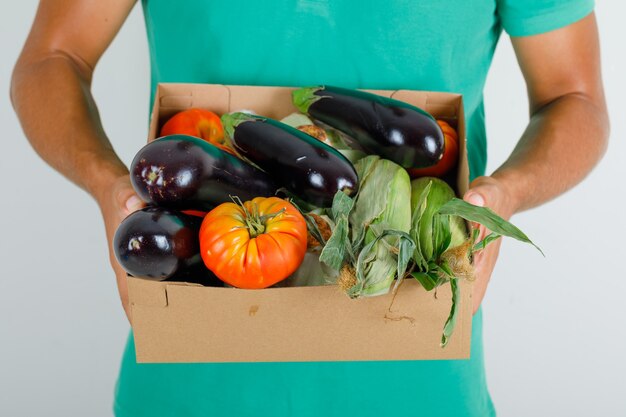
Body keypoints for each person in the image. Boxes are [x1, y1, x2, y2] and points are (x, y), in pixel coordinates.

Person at [11, 0, 609, 416]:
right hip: (189, 383)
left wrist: (501, 195)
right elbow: (52, 57)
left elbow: (573, 97)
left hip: (417, 388)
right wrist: (106, 186)